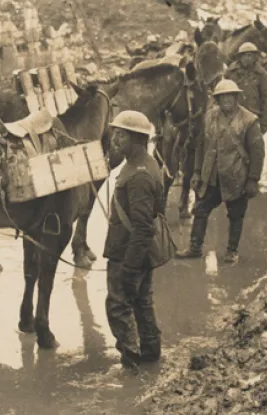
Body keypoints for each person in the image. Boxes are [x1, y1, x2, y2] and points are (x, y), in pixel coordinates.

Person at [173, 79, 265, 264]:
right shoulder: (209, 117)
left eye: (230, 96)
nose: (226, 101)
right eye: (222, 97)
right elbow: (200, 146)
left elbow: (257, 152)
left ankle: (232, 251)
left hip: (236, 176)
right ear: (217, 99)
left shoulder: (249, 121)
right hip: (211, 176)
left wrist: (253, 179)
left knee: (236, 215)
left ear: (236, 97)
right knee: (200, 209)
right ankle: (194, 247)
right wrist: (198, 172)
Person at [102, 110, 164, 372]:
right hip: (139, 252)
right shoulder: (144, 163)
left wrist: (129, 267)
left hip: (129, 252)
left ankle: (131, 362)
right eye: (115, 133)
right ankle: (151, 353)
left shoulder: (138, 175)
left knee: (118, 305)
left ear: (138, 139)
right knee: (142, 300)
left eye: (121, 135)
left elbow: (141, 227)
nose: (115, 139)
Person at [225, 42, 267, 135]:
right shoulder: (230, 72)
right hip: (233, 118)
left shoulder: (262, 75)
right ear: (240, 57)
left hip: (253, 119)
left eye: (251, 55)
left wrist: (265, 124)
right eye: (245, 55)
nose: (248, 58)